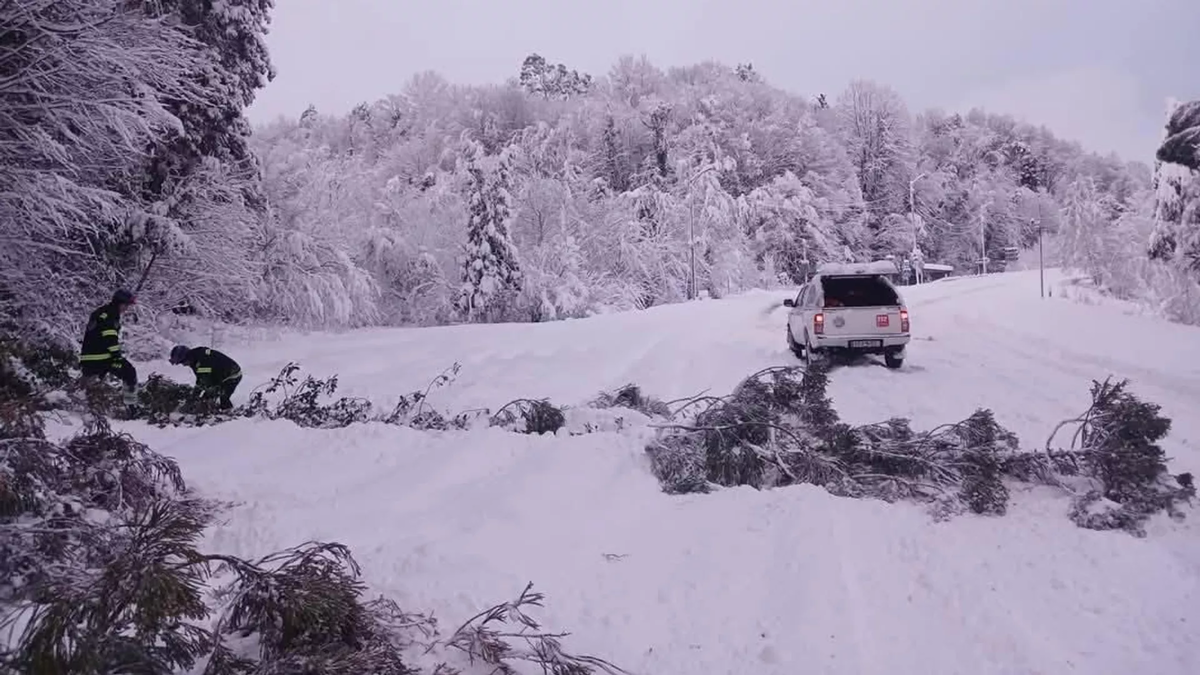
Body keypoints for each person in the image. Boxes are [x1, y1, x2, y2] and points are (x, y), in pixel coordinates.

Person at [80, 289, 139, 406]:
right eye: (126, 305)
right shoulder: (110, 315)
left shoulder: (102, 312)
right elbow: (109, 337)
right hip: (101, 358)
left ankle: (84, 404)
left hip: (89, 358)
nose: (126, 308)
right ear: (120, 303)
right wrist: (117, 356)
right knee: (129, 372)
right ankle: (131, 406)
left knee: (91, 386)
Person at [169, 344, 242, 410]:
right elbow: (201, 379)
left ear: (186, 357)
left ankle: (229, 414)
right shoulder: (196, 357)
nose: (183, 365)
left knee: (223, 397)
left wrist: (195, 396)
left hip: (233, 375)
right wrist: (195, 395)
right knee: (208, 396)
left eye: (182, 362)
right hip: (219, 375)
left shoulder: (202, 362)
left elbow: (207, 381)